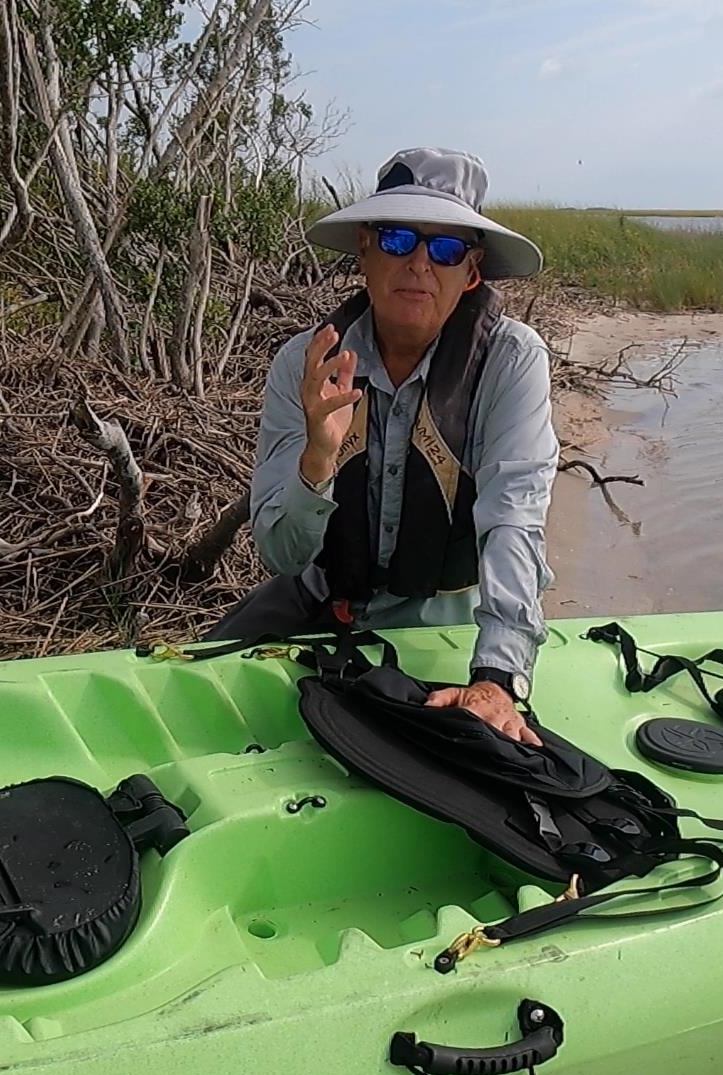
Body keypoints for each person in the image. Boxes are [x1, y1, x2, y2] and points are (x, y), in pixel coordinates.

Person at [208, 147, 557, 746]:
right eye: (399, 239)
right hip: (319, 597)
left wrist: (497, 675)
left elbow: (514, 519)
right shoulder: (304, 362)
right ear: (365, 251)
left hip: (442, 614)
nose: (420, 263)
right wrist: (316, 460)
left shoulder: (511, 360)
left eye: (445, 248)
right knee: (199, 684)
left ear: (471, 272)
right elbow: (284, 556)